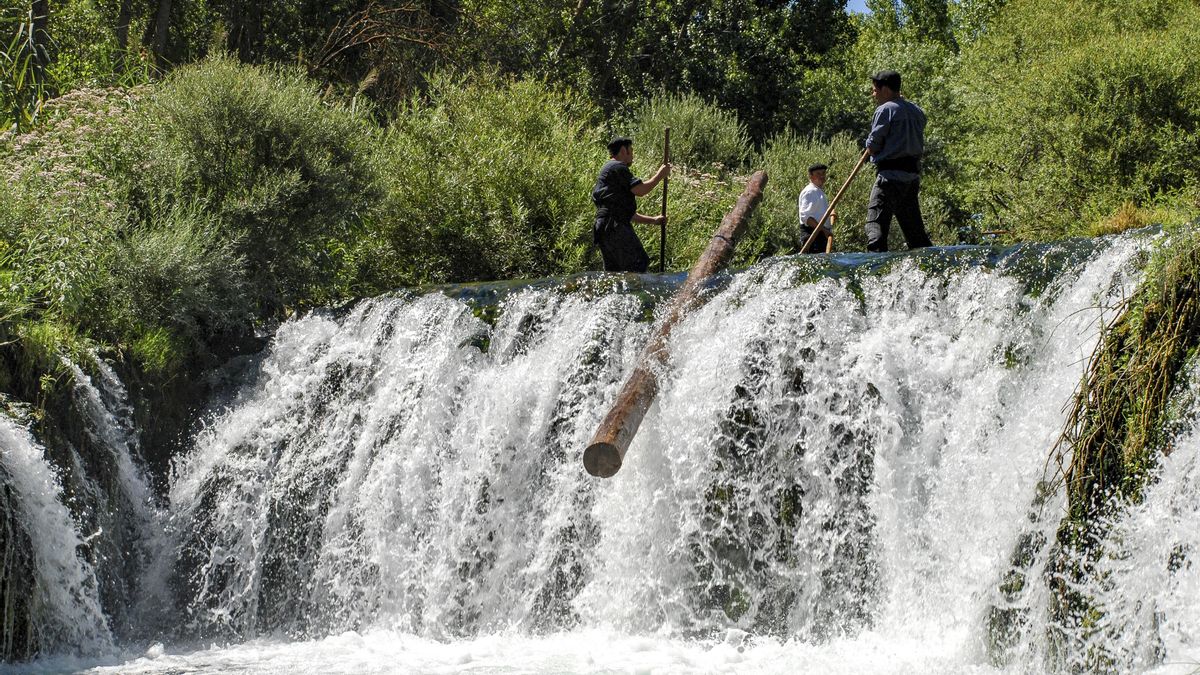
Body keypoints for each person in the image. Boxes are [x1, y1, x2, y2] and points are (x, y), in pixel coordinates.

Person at [864, 70, 932, 252]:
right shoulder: (917, 111)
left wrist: (870, 145)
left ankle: (875, 268)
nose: (873, 94)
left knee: (875, 226)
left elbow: (874, 145)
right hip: (911, 179)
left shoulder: (885, 110)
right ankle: (928, 266)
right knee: (915, 234)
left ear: (885, 90)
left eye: (875, 90)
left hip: (889, 179)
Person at [592, 136, 670, 273]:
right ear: (623, 150)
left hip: (604, 228)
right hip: (614, 227)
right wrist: (661, 175)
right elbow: (640, 190)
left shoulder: (608, 171)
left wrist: (653, 220)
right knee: (638, 264)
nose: (632, 155)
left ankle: (616, 295)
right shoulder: (618, 167)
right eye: (631, 151)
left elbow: (628, 214)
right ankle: (635, 294)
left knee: (614, 273)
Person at [797, 163, 836, 254]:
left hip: (820, 235)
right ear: (810, 176)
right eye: (818, 174)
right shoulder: (811, 191)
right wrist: (824, 230)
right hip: (813, 236)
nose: (822, 176)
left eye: (823, 173)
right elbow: (806, 218)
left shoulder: (818, 191)